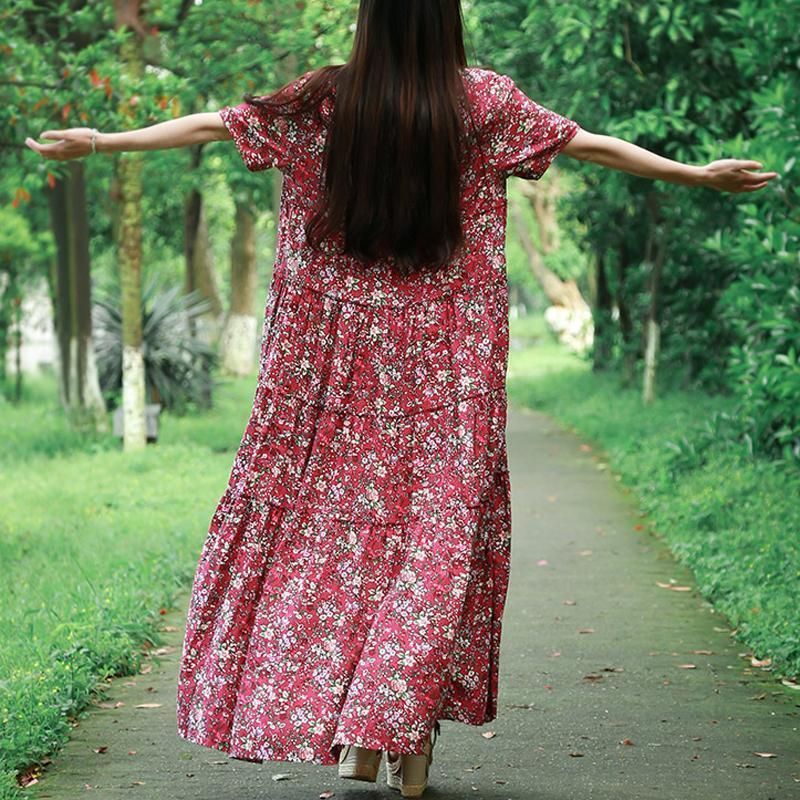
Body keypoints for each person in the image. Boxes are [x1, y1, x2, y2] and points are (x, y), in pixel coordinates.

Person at [25, 1, 777, 797]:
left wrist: (102, 142)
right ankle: (397, 737)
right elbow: (587, 145)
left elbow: (212, 125)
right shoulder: (482, 104)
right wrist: (693, 173)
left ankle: (365, 733)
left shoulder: (326, 99)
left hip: (335, 382)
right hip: (449, 380)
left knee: (339, 549)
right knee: (432, 556)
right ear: (445, 23)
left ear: (370, 23)